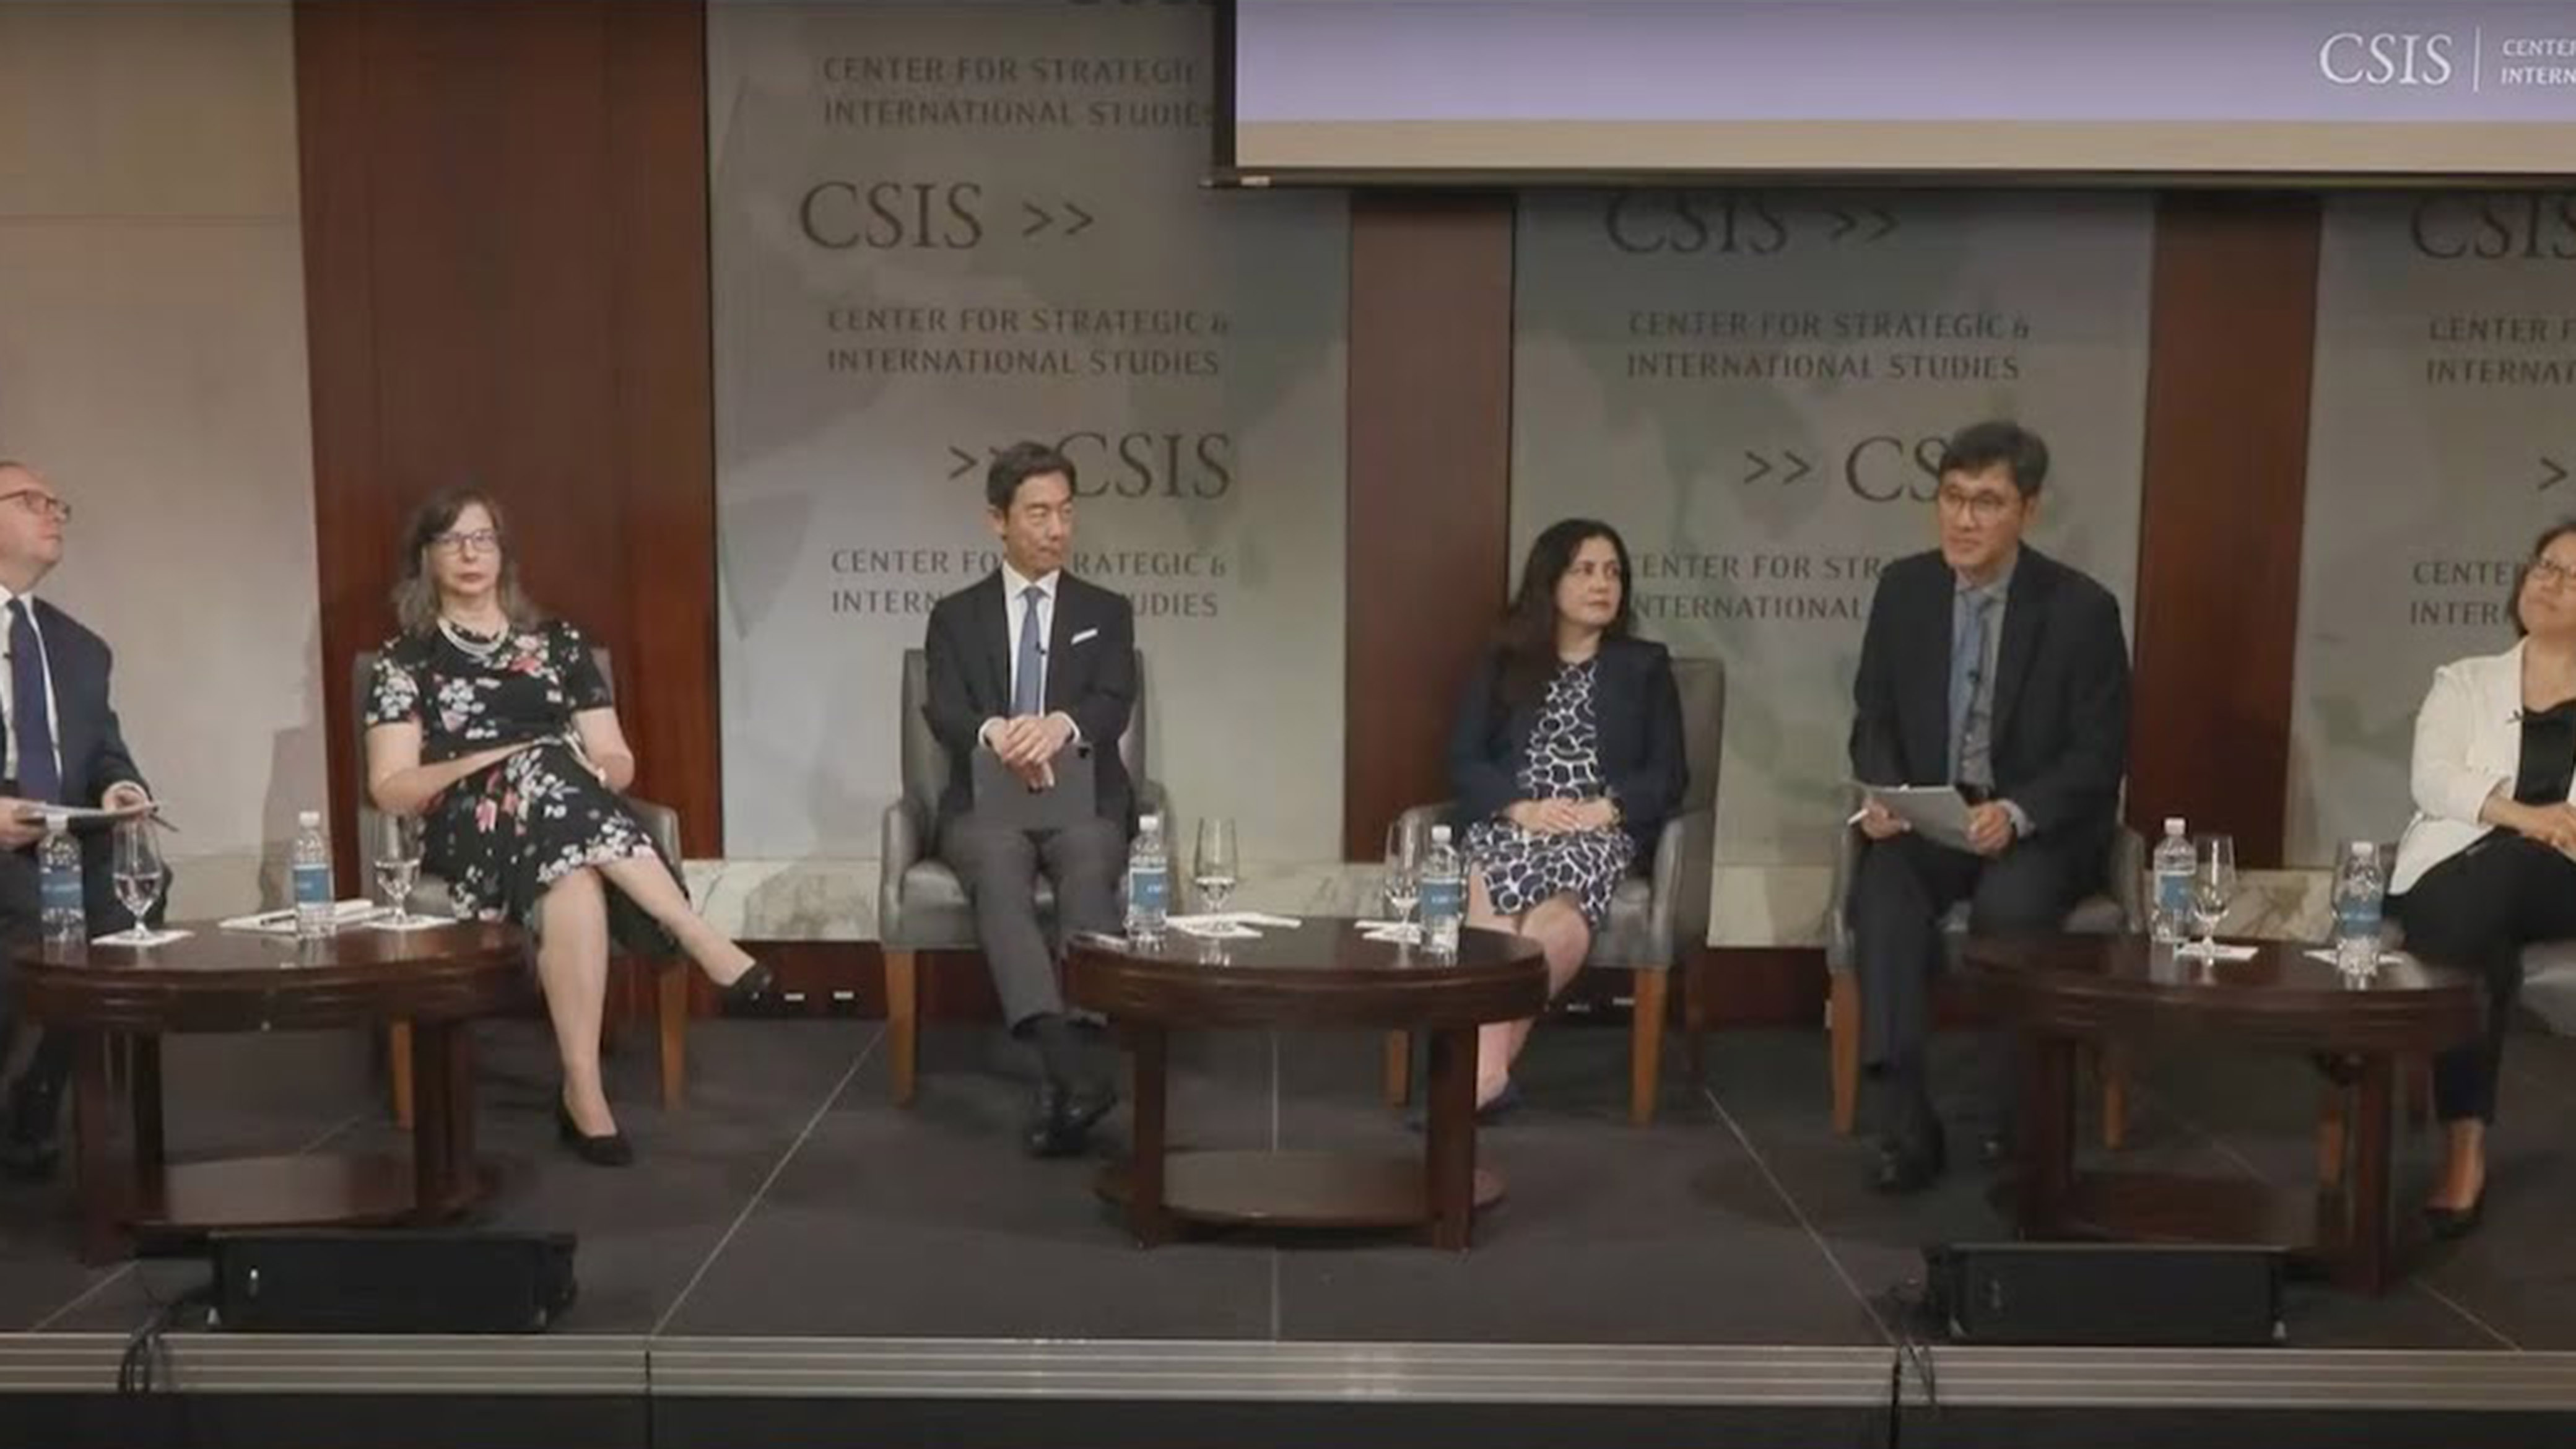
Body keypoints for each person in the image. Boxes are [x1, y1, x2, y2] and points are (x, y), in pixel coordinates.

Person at [363, 489, 770, 1168]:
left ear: (503, 553)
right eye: (452, 541)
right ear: (425, 558)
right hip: (465, 822)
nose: (469, 553)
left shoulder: (558, 645)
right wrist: (502, 759)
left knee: (573, 875)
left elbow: (617, 759)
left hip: (560, 820)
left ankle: (584, 1092)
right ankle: (691, 929)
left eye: (483, 538)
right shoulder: (406, 660)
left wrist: (584, 771)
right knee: (542, 761)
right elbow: (391, 787)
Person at [1844, 420, 2130, 1194]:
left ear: (2027, 510)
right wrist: (1886, 794)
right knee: (1884, 893)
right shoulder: (1903, 590)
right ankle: (1903, 1120)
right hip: (1933, 817)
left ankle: (2016, 1116)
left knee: (2009, 911)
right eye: (1951, 498)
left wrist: (2018, 812)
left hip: (2036, 830)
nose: (1963, 520)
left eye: (1986, 502)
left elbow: (2098, 755)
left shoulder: (2079, 610)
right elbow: (1872, 719)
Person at [922, 440, 1136, 1157]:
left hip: (1082, 798)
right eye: (1038, 513)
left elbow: (1113, 702)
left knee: (1088, 863)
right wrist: (997, 732)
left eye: (1065, 513)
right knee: (997, 872)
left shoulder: (1106, 611)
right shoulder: (956, 616)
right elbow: (945, 710)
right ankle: (1070, 1064)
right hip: (989, 801)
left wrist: (1059, 725)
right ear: (998, 521)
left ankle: (1067, 1074)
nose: (1056, 529)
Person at [1445, 518, 1686, 1115]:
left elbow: (1669, 773)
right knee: (1491, 903)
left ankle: (1478, 1077)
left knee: (1560, 921)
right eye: (1585, 571)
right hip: (1515, 822)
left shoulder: (1644, 666)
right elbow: (1465, 758)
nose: (1603, 585)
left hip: (1594, 827)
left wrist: (1609, 808)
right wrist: (1521, 808)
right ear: (1549, 581)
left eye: (1613, 573)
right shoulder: (1505, 661)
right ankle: (1488, 1079)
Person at [2387, 519, 2576, 1238]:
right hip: (2458, 868)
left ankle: (2351, 1041)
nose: (2548, 583)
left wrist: (2536, 832)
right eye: (2543, 566)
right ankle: (2463, 1149)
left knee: (2498, 879)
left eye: (2571, 576)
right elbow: (2431, 780)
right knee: (2481, 940)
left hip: (2560, 876)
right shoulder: (2464, 681)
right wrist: (2524, 816)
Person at [0, 461, 158, 1183]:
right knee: (33, 919)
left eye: (58, 504)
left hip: (67, 830)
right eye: (31, 500)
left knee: (136, 890)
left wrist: (122, 788)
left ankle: (41, 1095)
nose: (53, 513)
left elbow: (105, 753)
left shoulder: (80, 648)